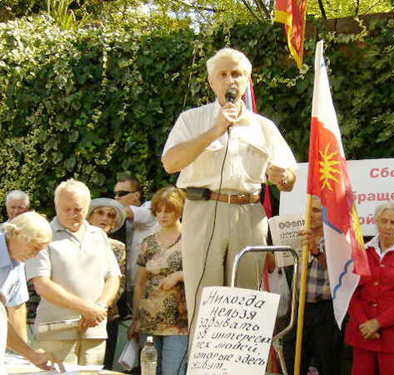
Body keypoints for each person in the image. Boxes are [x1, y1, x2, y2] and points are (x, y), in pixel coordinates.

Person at [162, 48, 297, 327]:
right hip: (203, 210)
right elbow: (171, 163)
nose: (230, 80)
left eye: (236, 74)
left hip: (249, 214)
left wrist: (283, 176)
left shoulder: (264, 127)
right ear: (212, 82)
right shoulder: (192, 119)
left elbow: (289, 179)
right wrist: (215, 130)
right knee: (205, 302)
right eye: (222, 75)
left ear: (247, 80)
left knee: (246, 306)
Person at [26, 179, 121, 365]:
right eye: (66, 209)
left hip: (94, 332)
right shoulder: (42, 236)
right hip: (55, 333)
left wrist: (100, 307)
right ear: (56, 206)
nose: (72, 214)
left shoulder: (99, 236)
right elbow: (42, 285)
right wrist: (86, 309)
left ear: (87, 208)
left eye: (77, 209)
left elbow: (113, 277)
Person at [346, 202, 394, 375]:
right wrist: (363, 324)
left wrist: (378, 323)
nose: (388, 226)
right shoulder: (363, 252)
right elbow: (352, 293)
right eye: (384, 221)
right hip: (363, 335)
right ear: (376, 222)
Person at [128, 187, 188, 375]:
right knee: (149, 372)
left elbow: (205, 272)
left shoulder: (191, 240)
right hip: (149, 322)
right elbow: (140, 283)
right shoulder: (148, 242)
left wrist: (179, 275)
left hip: (179, 323)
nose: (162, 215)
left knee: (173, 371)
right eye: (158, 210)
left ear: (179, 210)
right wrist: (136, 318)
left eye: (168, 210)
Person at [283, 196, 344, 375]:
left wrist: (316, 250)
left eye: (316, 210)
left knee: (327, 363)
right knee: (292, 361)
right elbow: (278, 265)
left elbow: (338, 271)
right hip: (299, 309)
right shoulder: (298, 234)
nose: (311, 214)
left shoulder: (337, 238)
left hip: (325, 311)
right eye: (309, 209)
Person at [0, 211, 59, 372]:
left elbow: (17, 309)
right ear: (15, 233)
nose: (35, 256)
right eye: (34, 248)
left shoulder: (18, 261)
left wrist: (27, 356)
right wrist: (29, 354)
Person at [87, 198, 127, 369]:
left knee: (104, 367)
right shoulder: (76, 242)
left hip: (106, 316)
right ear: (89, 217)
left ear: (114, 223)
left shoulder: (118, 247)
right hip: (76, 313)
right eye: (100, 213)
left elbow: (119, 284)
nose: (105, 218)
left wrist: (100, 307)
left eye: (110, 216)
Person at [113, 174, 157, 305]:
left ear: (136, 195)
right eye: (114, 194)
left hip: (149, 284)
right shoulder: (122, 220)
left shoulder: (149, 208)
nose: (116, 198)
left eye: (121, 193)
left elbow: (124, 212)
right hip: (127, 286)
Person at [1, 190, 31, 341]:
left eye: (20, 208)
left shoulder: (35, 233)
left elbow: (17, 306)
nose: (16, 211)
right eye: (13, 207)